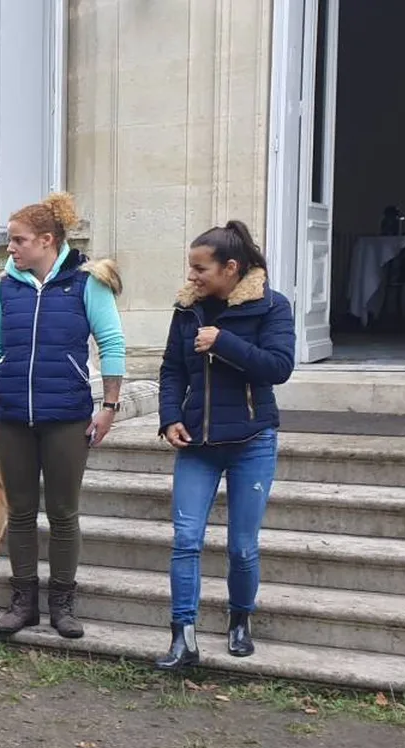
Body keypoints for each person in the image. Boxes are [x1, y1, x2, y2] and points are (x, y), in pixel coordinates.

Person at [0, 192, 127, 639]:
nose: (10, 248)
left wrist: (110, 406)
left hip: (67, 418)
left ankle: (63, 605)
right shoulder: (6, 286)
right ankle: (23, 603)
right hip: (14, 417)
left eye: (17, 240)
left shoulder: (86, 282)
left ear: (46, 240)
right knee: (19, 513)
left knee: (62, 514)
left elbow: (112, 345)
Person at [154, 221, 296, 671]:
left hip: (251, 440)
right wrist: (170, 417)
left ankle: (239, 621)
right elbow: (171, 369)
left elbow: (278, 367)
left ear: (230, 268)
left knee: (242, 547)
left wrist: (224, 342)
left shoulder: (271, 307)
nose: (192, 276)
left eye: (201, 267)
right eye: (190, 267)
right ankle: (183, 637)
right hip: (196, 443)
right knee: (186, 540)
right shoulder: (187, 310)